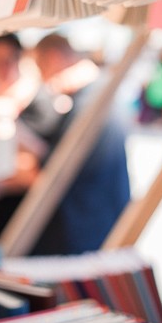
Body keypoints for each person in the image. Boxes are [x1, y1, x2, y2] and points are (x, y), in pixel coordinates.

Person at [28, 33, 132, 256]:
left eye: (40, 68)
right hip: (104, 228)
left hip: (86, 235)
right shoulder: (104, 93)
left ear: (54, 59)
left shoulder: (88, 105)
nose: (42, 79)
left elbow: (51, 171)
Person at [0, 34, 60, 239]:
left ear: (20, 59)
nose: (1, 68)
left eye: (7, 60)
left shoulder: (38, 101)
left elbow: (38, 165)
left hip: (20, 216)